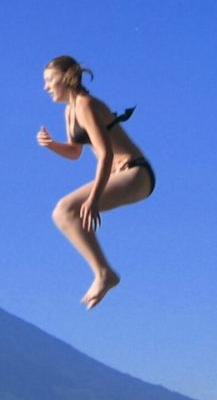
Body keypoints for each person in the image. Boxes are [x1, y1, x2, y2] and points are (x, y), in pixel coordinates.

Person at [37, 55, 155, 309]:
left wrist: (92, 200)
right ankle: (103, 272)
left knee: (65, 210)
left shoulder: (85, 105)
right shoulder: (70, 111)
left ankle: (104, 274)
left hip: (135, 173)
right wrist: (51, 145)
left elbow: (106, 154)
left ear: (66, 78)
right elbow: (75, 152)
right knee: (64, 212)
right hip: (123, 175)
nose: (46, 87)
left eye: (49, 80)